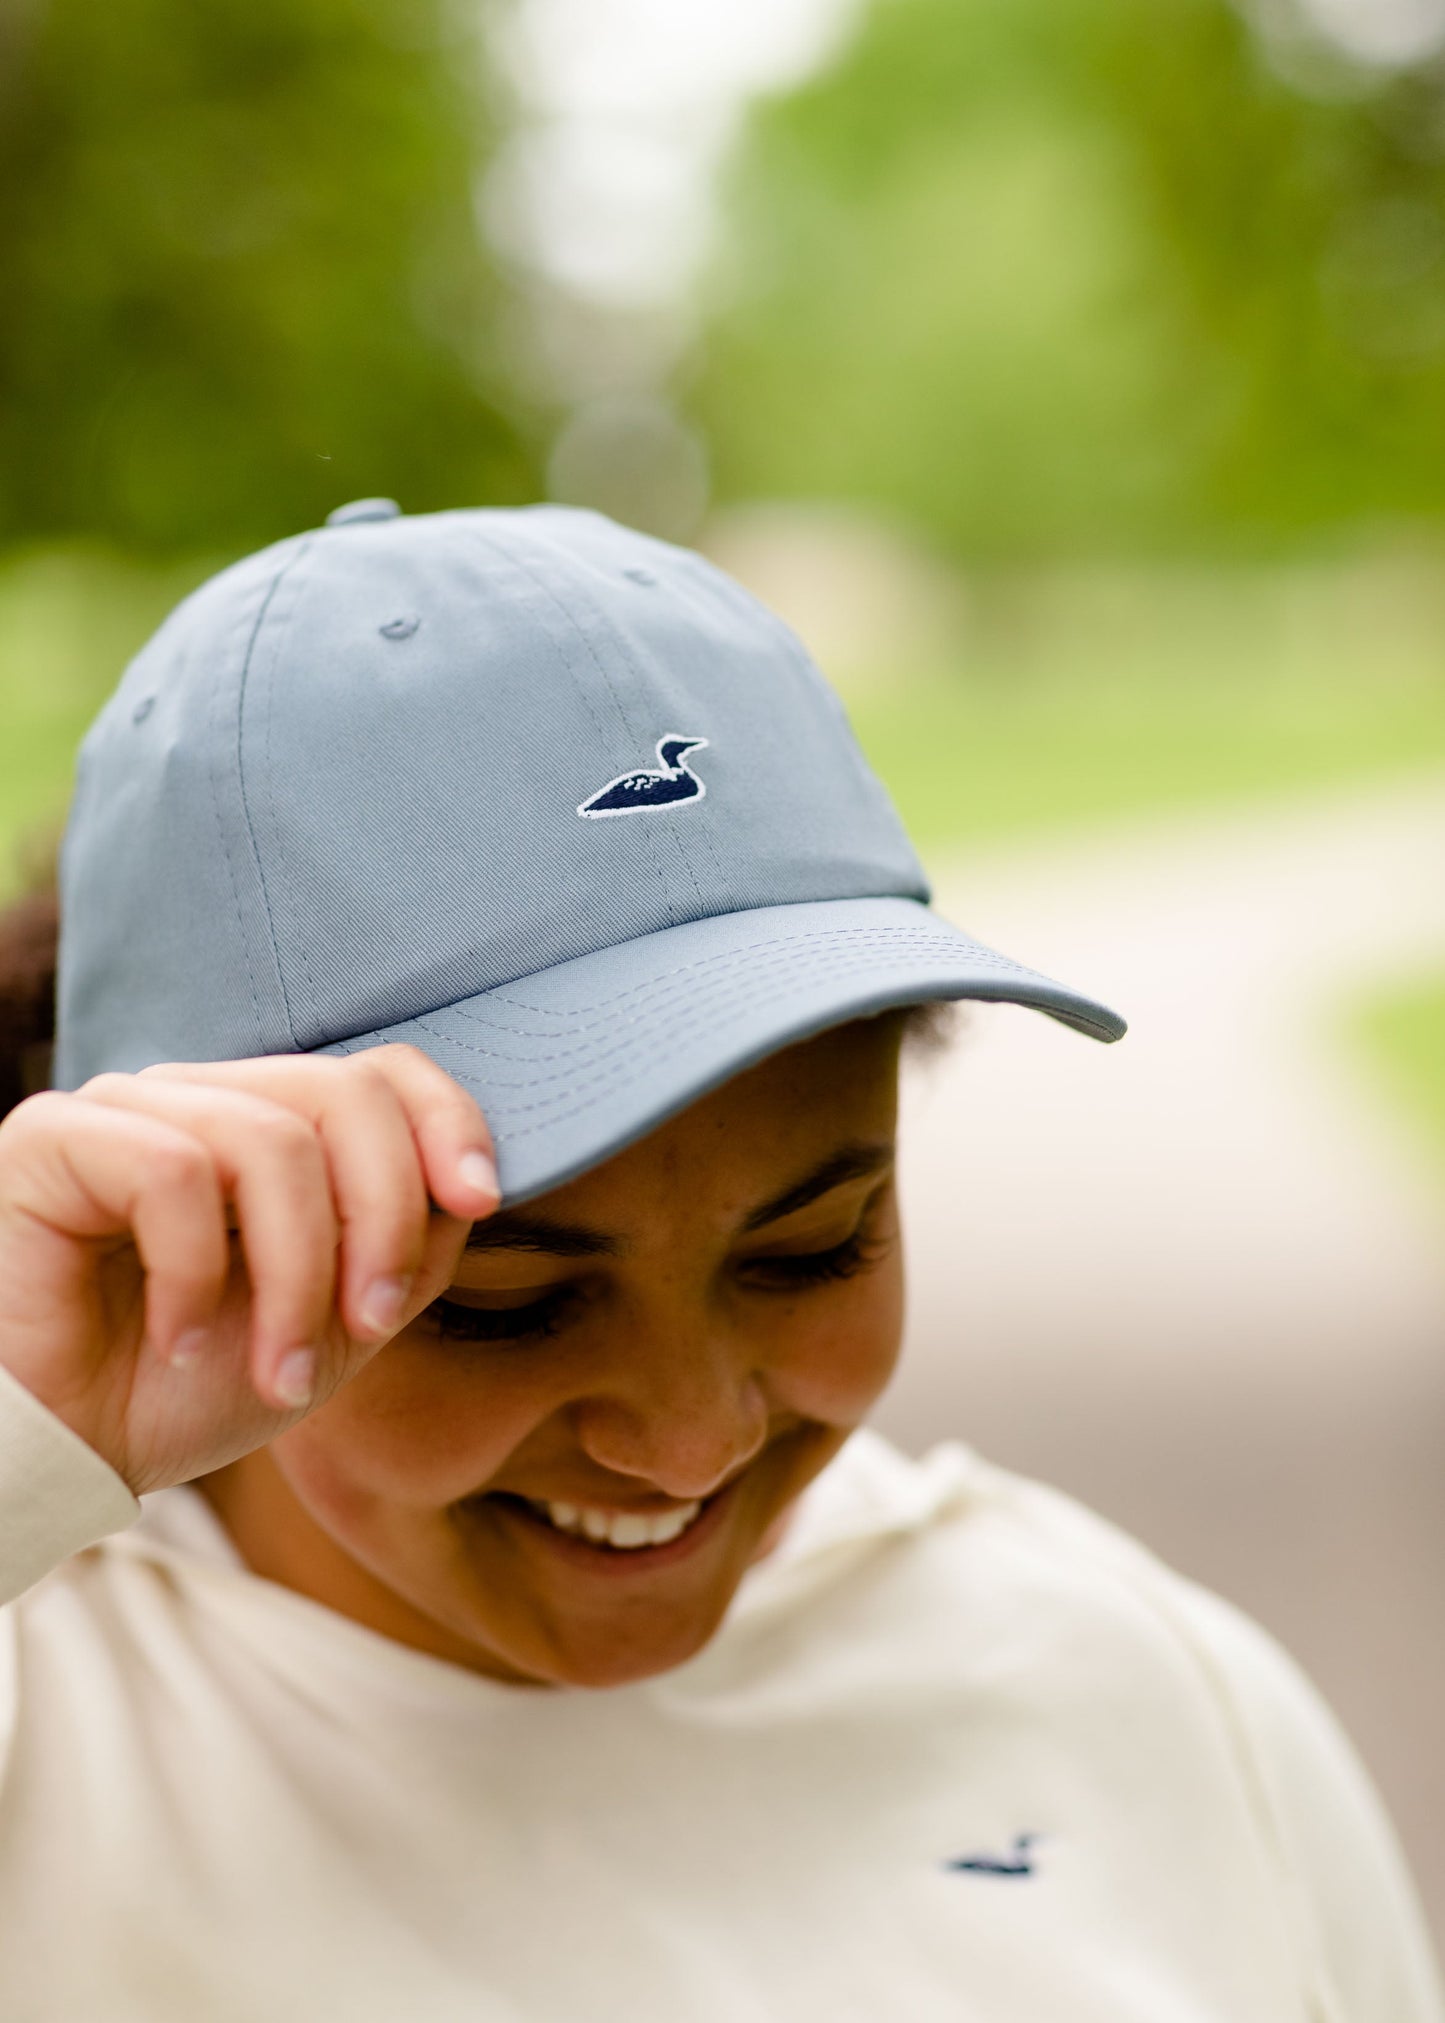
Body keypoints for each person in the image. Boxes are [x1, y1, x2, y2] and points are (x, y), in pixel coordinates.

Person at [0, 498, 1437, 2021]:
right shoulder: (52, 1722)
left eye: (812, 1250)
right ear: (172, 1242)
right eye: (505, 1302)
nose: (688, 1437)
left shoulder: (1135, 1694)